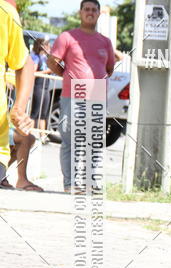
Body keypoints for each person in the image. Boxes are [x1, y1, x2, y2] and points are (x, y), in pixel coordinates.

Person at [48, 0, 115, 193]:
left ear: (99, 13)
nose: (90, 12)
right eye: (86, 9)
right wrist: (67, 75)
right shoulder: (67, 37)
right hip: (73, 93)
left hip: (97, 94)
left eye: (94, 10)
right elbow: (52, 61)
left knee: (94, 141)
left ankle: (91, 183)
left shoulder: (105, 42)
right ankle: (70, 184)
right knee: (70, 140)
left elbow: (109, 68)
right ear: (80, 12)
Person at [0, 0, 35, 190]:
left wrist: (19, 109)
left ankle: (21, 178)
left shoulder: (5, 12)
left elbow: (24, 63)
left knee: (27, 138)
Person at [30, 37, 52, 141]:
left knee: (44, 113)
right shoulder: (36, 57)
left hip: (46, 87)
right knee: (35, 112)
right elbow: (33, 72)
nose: (49, 47)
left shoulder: (46, 58)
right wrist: (47, 72)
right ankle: (29, 135)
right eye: (47, 45)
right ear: (42, 46)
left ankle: (42, 136)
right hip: (38, 87)